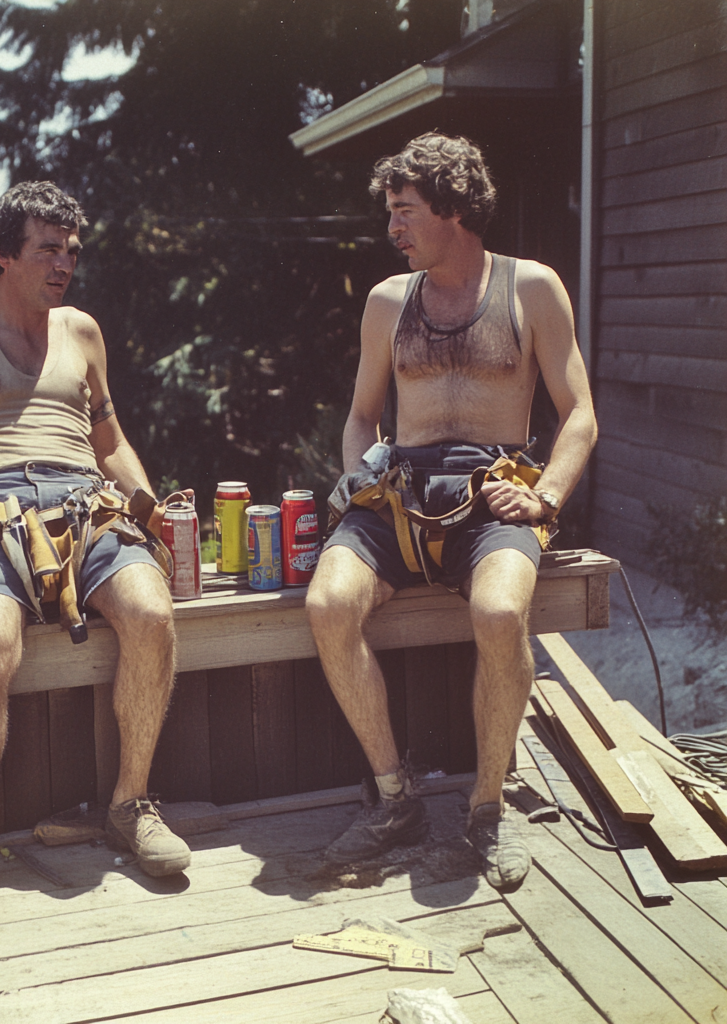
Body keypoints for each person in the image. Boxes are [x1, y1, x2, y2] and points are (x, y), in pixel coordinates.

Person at [305, 133, 597, 891]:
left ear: (454, 208)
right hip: (399, 490)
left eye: (404, 212)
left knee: (502, 617)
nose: (392, 229)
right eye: (391, 214)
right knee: (329, 604)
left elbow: (581, 416)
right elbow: (362, 418)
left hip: (495, 494)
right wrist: (362, 481)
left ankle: (488, 810)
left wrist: (544, 498)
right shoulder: (387, 302)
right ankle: (396, 798)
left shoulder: (531, 288)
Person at [0, 181, 190, 949]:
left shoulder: (83, 334)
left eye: (71, 250)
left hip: (87, 505)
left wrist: (146, 502)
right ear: (3, 255)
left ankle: (130, 806)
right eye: (46, 250)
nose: (63, 264)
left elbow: (109, 442)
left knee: (153, 615)